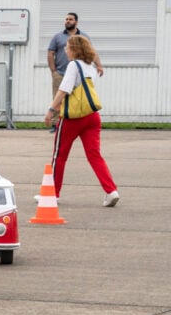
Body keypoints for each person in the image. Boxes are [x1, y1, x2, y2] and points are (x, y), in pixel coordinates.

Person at [43, 34, 118, 206]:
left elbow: (64, 90)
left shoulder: (73, 65)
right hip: (92, 117)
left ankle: (53, 193)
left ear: (75, 49)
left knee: (59, 155)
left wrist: (51, 110)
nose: (65, 50)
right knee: (94, 155)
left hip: (73, 118)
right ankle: (111, 191)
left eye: (68, 47)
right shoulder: (90, 66)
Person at [48, 13, 103, 133]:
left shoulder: (84, 37)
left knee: (78, 96)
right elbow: (50, 53)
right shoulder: (57, 37)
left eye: (70, 19)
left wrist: (99, 65)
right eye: (66, 19)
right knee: (58, 96)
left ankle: (78, 119)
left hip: (78, 74)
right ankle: (56, 124)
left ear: (76, 22)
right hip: (61, 72)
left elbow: (92, 51)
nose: (68, 21)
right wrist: (53, 71)